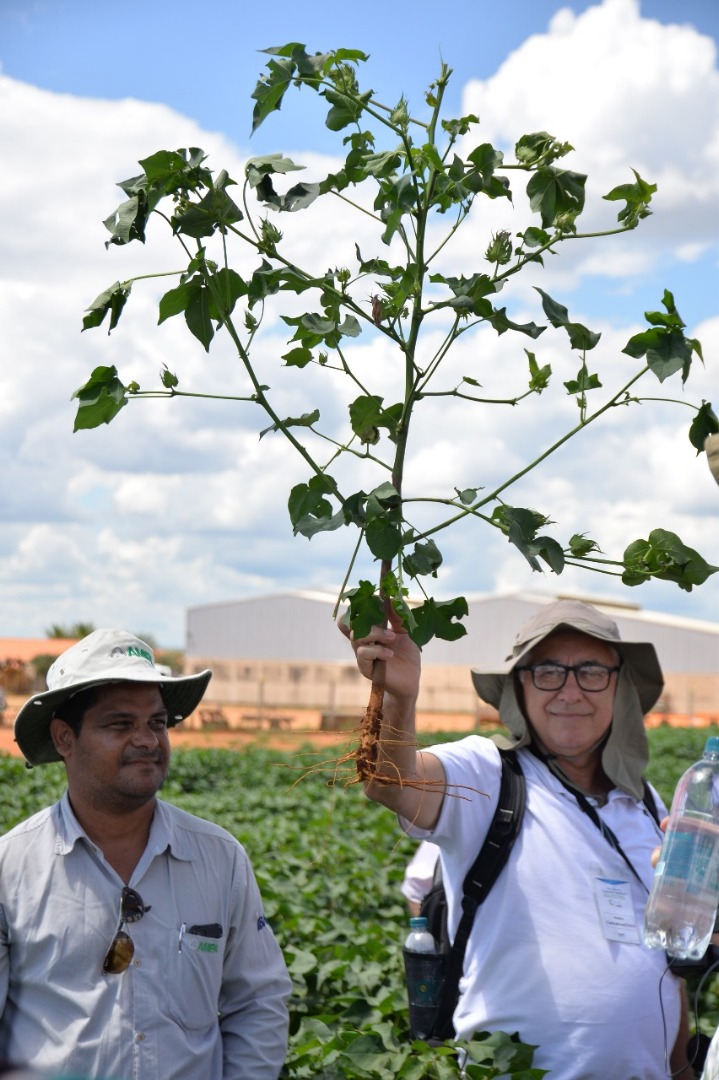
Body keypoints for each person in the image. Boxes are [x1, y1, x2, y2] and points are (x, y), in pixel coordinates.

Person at [343, 598, 692, 1079]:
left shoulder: (648, 805)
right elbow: (391, 781)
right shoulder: (490, 775)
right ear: (519, 688)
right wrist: (398, 696)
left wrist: (679, 1067)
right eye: (548, 671)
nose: (570, 691)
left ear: (620, 687)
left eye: (591, 671)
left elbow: (668, 961)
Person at [0, 629, 292, 1079]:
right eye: (120, 724)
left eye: (157, 723)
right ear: (64, 738)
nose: (147, 740)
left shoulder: (219, 858)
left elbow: (258, 1003)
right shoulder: (11, 867)